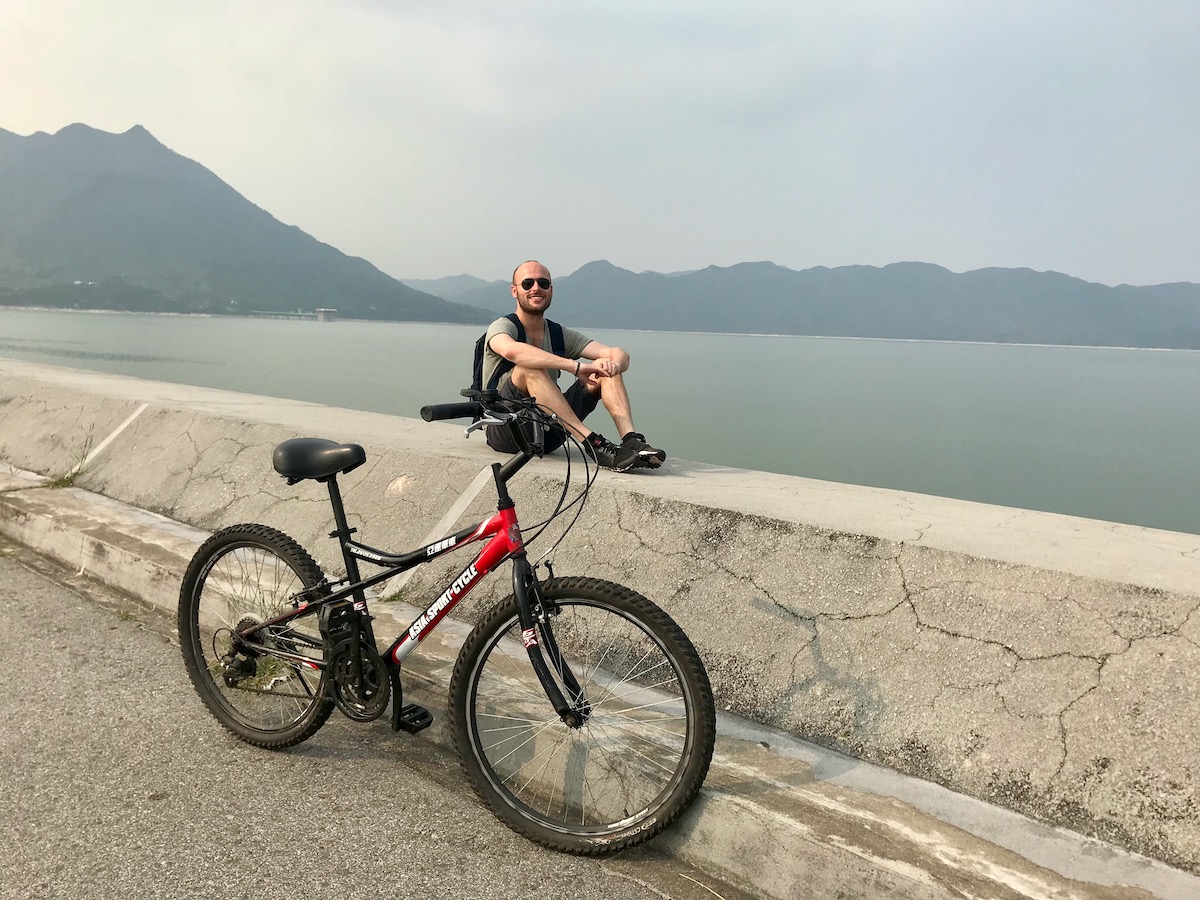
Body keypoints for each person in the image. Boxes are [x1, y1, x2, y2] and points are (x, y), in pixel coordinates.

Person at [482, 260, 666, 471]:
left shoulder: (557, 333)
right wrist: (574, 367)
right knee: (528, 366)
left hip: (550, 430)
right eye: (527, 283)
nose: (536, 288)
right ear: (514, 291)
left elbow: (619, 353)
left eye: (543, 283)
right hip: (506, 429)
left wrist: (613, 366)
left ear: (551, 290)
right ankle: (594, 444)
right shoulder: (503, 327)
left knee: (604, 366)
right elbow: (512, 351)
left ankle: (631, 440)